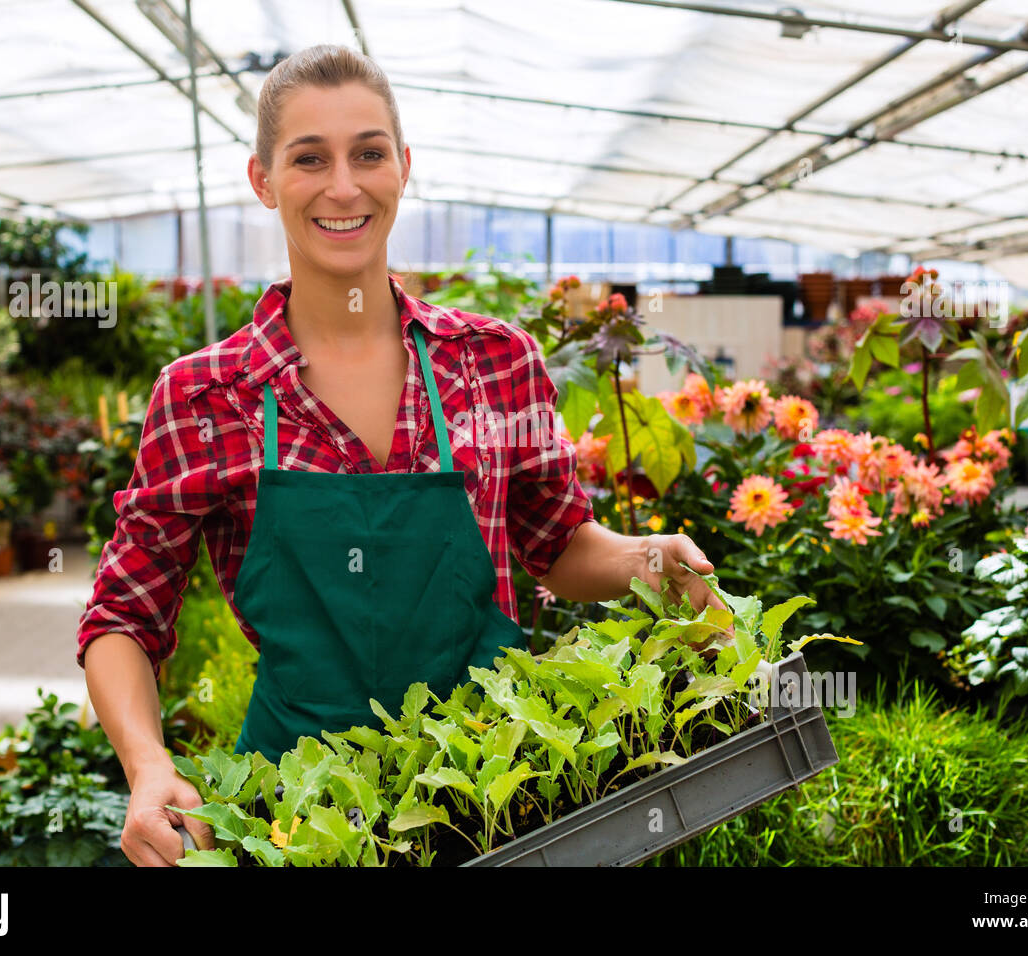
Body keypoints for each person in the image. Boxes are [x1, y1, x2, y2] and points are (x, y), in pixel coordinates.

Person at [77, 43, 724, 868]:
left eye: (368, 154)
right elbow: (124, 616)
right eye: (309, 158)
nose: (344, 186)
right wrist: (148, 765)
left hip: (498, 793)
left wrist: (651, 558)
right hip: (302, 818)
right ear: (263, 181)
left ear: (404, 168)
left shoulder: (495, 362)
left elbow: (558, 547)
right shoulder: (206, 395)